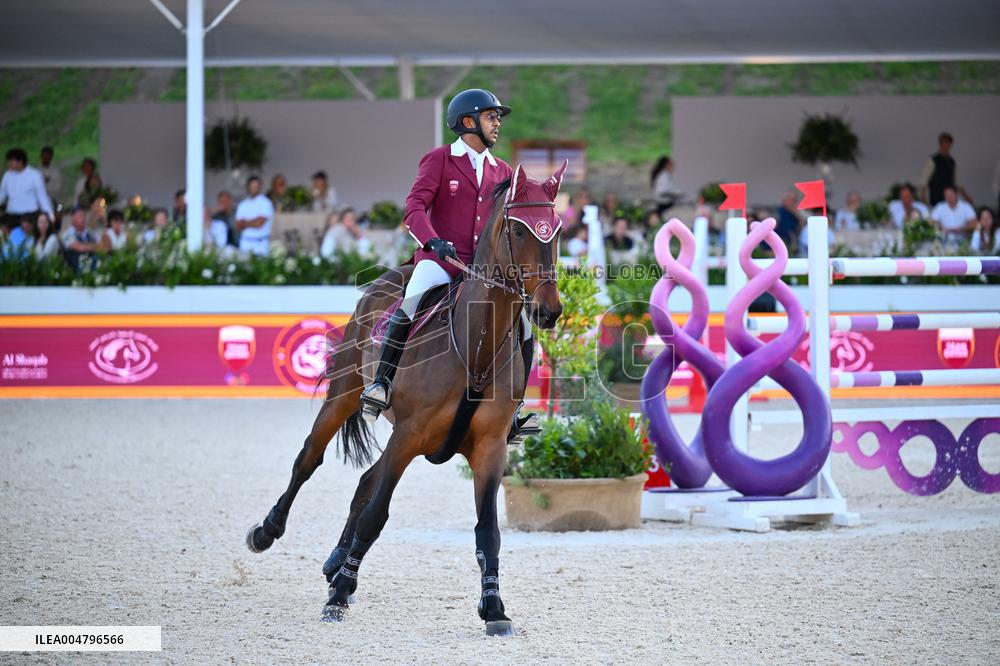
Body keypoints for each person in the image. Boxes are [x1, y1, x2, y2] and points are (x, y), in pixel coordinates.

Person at [359, 87, 536, 441]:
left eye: (498, 117)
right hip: (441, 259)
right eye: (491, 117)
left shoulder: (502, 170)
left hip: (484, 269)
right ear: (468, 121)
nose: (497, 123)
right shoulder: (439, 159)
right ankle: (381, 383)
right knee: (413, 297)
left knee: (526, 322)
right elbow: (414, 209)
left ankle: (513, 411)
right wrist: (431, 240)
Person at [1, 148, 54, 232]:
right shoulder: (7, 175)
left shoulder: (35, 175)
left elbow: (42, 197)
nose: (8, 164)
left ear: (20, 161)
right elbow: (1, 195)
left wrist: (50, 215)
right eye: (8, 161)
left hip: (29, 215)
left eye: (11, 161)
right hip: (11, 214)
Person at [921, 132, 971, 207]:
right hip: (936, 199)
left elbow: (957, 183)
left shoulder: (952, 162)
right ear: (940, 144)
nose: (946, 146)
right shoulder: (933, 161)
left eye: (948, 143)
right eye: (943, 143)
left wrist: (966, 196)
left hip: (950, 200)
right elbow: (924, 181)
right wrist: (923, 198)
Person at [235, 175, 274, 255]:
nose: (254, 188)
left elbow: (259, 223)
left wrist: (245, 223)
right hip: (245, 242)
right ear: (248, 187)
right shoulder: (242, 204)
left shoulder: (266, 203)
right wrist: (253, 221)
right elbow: (238, 226)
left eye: (256, 186)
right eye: (252, 186)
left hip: (261, 243)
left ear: (260, 187)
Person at [62, 204, 98, 271]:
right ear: (72, 218)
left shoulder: (89, 233)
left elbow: (102, 244)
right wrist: (97, 247)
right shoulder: (67, 234)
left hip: (93, 270)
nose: (83, 219)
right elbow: (81, 248)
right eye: (80, 216)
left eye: (84, 216)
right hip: (76, 274)